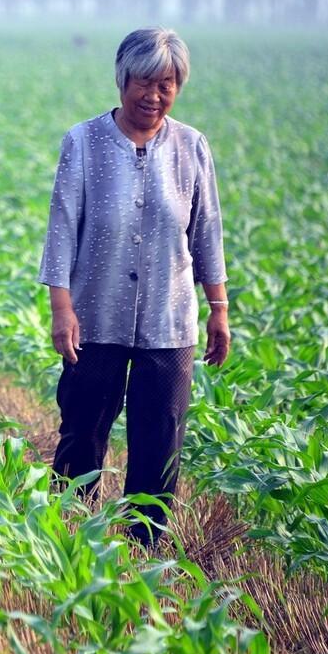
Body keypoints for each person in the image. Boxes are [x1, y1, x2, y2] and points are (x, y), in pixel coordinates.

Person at [37, 27, 231, 548]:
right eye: (144, 83)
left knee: (160, 441)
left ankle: (144, 550)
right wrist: (62, 308)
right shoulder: (84, 142)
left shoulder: (192, 147)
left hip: (170, 321)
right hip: (95, 314)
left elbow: (206, 230)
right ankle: (70, 539)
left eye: (167, 84)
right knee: (82, 430)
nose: (154, 96)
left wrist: (219, 309)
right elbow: (62, 227)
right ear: (122, 80)